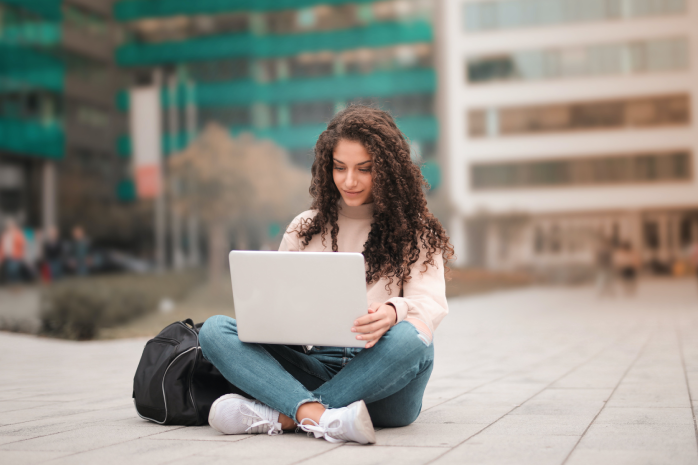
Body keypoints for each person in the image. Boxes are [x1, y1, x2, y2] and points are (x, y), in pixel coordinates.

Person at [199, 105, 454, 444]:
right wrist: (267, 312)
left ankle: (288, 415)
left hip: (385, 380)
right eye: (339, 167)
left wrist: (395, 311)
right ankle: (323, 418)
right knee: (215, 330)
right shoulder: (305, 227)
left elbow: (430, 303)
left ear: (389, 170)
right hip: (315, 364)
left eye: (364, 169)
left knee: (415, 340)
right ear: (327, 167)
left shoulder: (415, 231)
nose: (349, 181)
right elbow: (274, 303)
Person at [0, 219, 27, 285]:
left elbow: (22, 244)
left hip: (16, 256)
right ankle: (13, 285)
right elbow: (2, 247)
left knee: (14, 270)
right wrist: (1, 257)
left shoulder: (17, 234)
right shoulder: (5, 235)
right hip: (7, 257)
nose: (10, 227)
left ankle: (17, 285)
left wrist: (22, 255)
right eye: (8, 226)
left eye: (11, 226)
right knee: (9, 272)